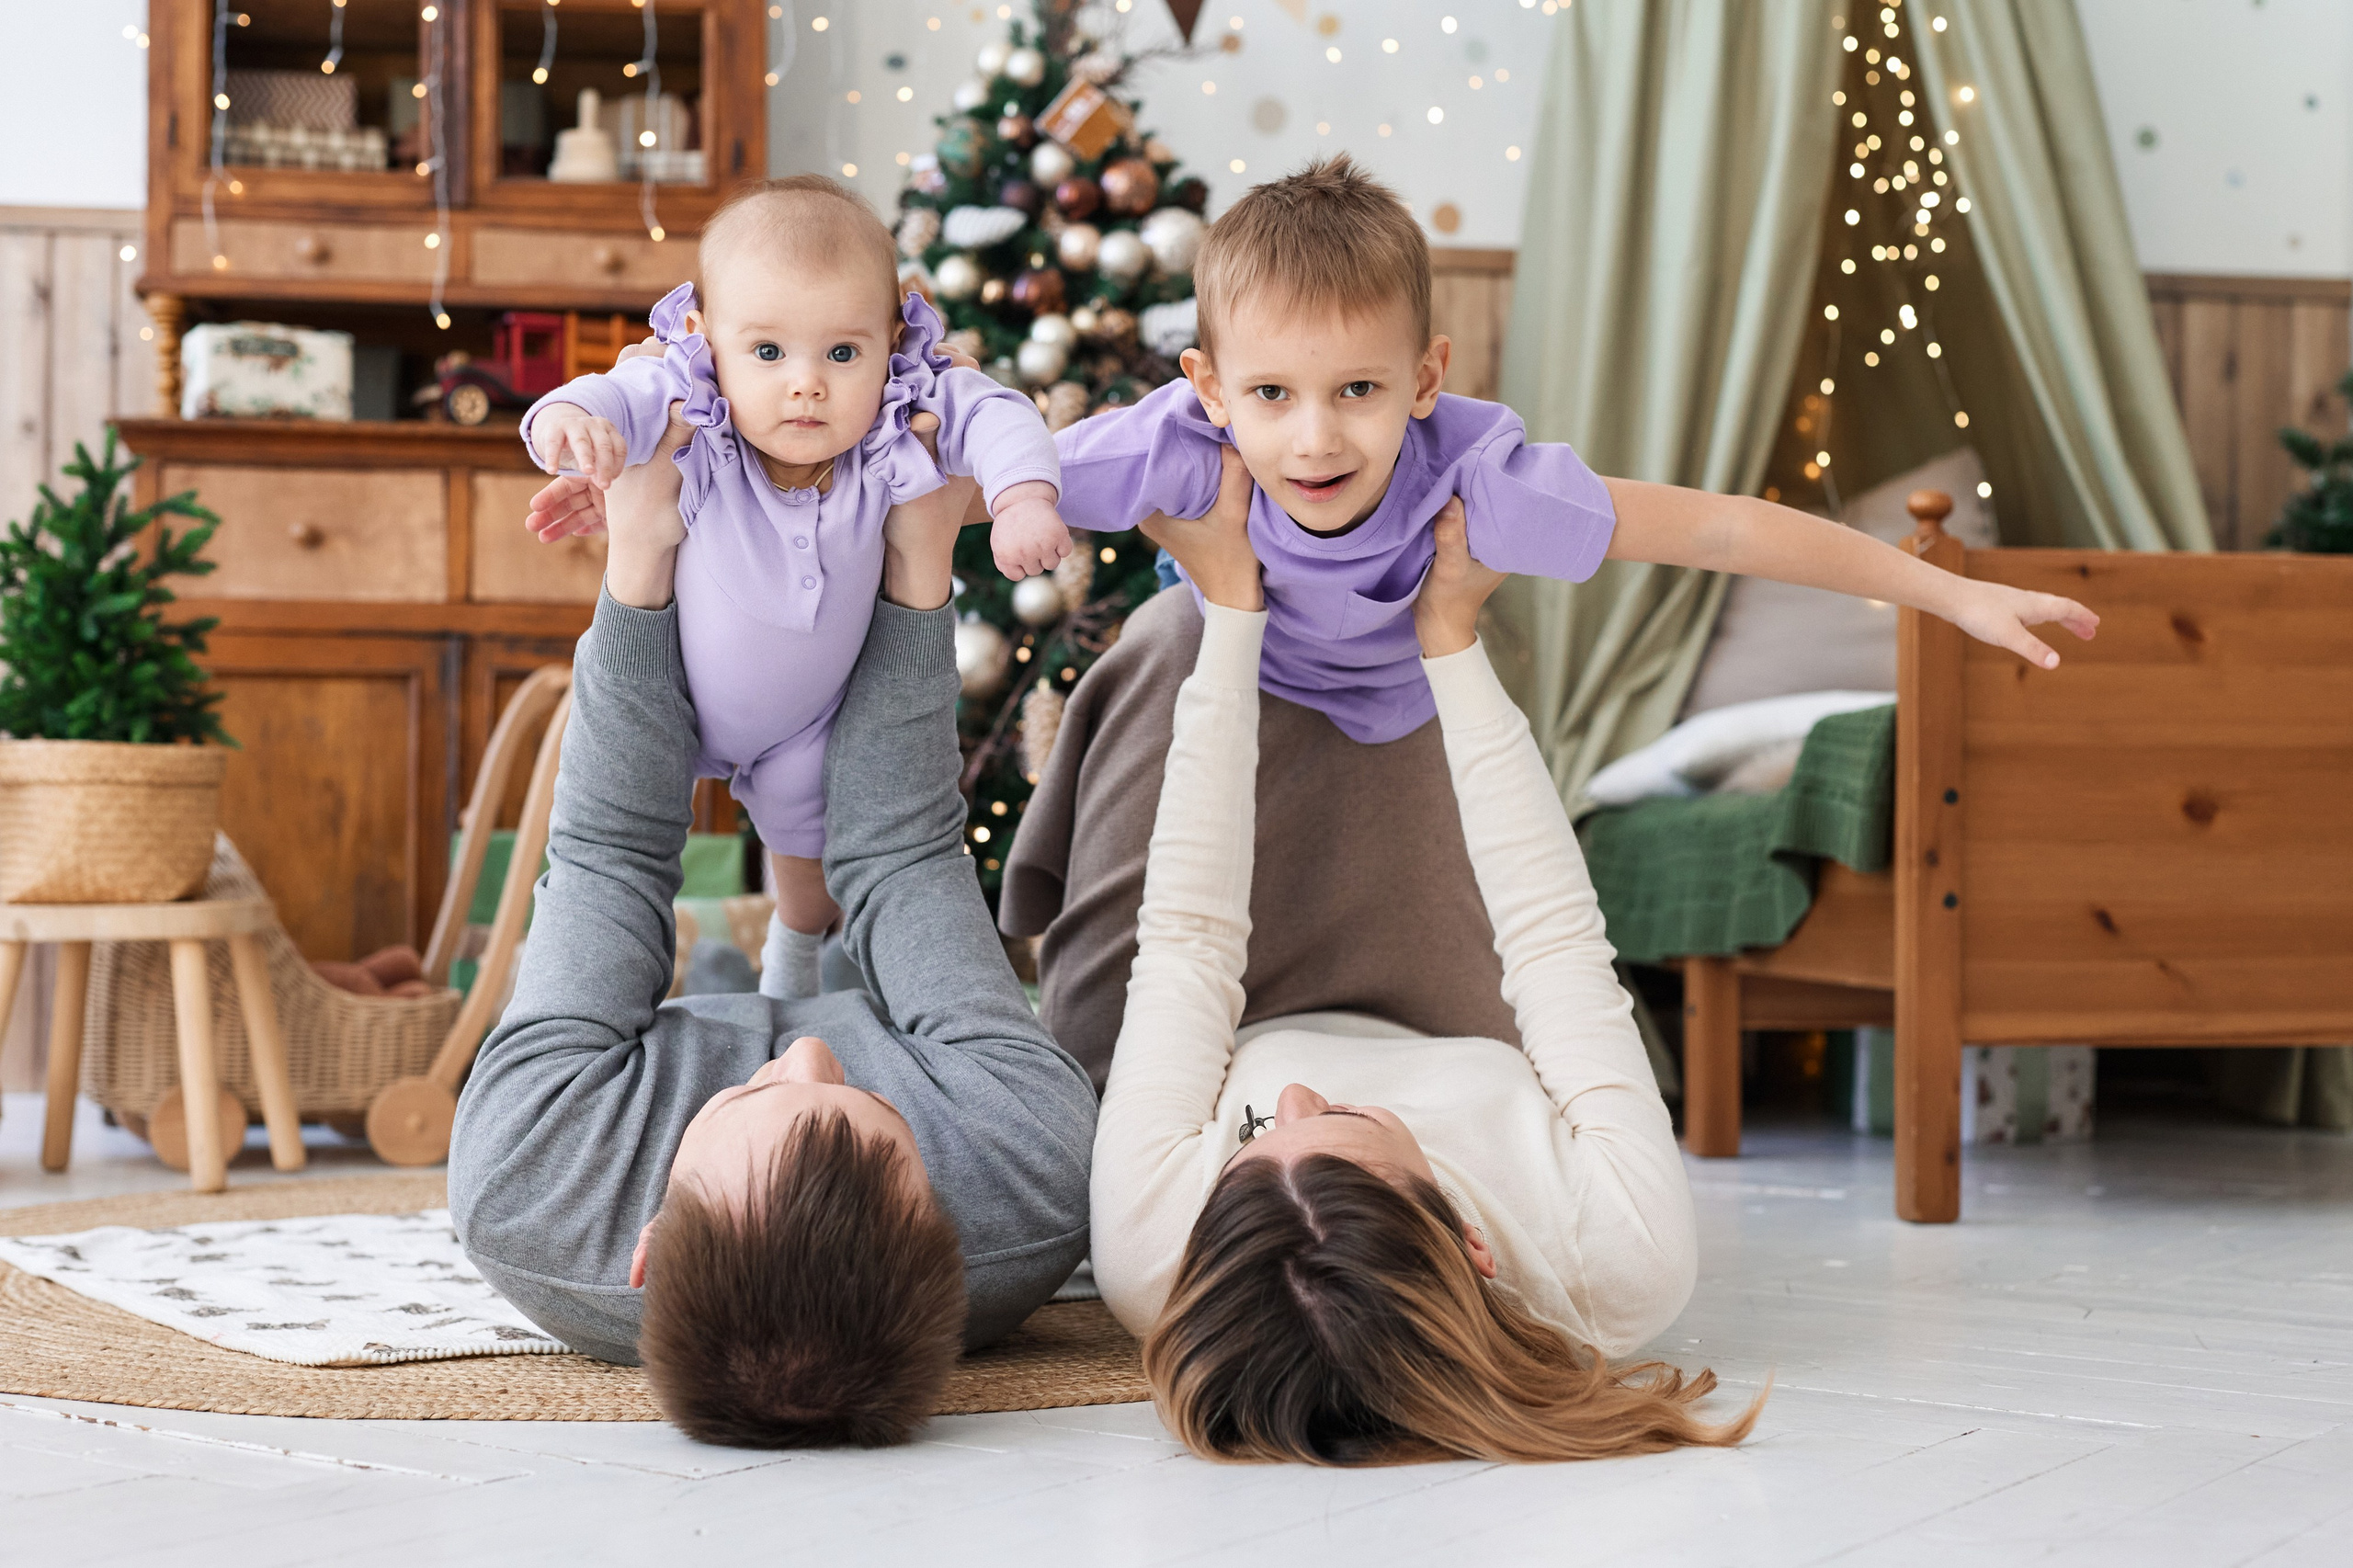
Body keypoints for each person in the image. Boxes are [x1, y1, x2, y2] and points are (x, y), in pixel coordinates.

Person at [1012, 152, 2096, 1083]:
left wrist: (1953, 593)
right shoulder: (1177, 450)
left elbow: (1719, 531)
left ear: (1426, 378)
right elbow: (989, 481)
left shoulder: (1478, 484)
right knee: (1164, 640)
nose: (1315, 442)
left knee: (1506, 1038)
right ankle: (1096, 1093)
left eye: (1358, 390)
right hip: (1221, 706)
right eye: (1272, 396)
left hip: (1401, 733)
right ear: (1208, 388)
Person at [448, 399, 1096, 1449]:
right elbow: (902, 851)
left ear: (648, 1243)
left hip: (642, 1065)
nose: (807, 1055)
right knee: (845, 949)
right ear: (947, 1216)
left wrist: (640, 567)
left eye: (759, 1095)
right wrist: (918, 567)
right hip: (914, 1033)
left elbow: (612, 850)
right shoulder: (1024, 1170)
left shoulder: (533, 1173)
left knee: (702, 957)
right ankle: (782, 960)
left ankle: (747, 972)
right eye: (852, 1099)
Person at [1091, 461, 1756, 1464]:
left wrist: (1231, 616)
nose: (1303, 1091)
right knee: (1402, 610)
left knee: (1175, 635)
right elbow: (1554, 943)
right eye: (1341, 1123)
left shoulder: (1161, 1259)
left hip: (1220, 991)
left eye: (1260, 1129)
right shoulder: (1619, 1259)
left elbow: (1185, 942)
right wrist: (1451, 639)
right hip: (1463, 986)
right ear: (1473, 1245)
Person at [519, 175, 1071, 1001]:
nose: (806, 383)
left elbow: (1000, 414)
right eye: (768, 353)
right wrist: (570, 419)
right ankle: (645, 988)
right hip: (666, 696)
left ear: (893, 342)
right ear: (707, 341)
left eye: (843, 353)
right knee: (626, 850)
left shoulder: (900, 412)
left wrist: (1024, 495)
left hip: (808, 725)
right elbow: (607, 394)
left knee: (804, 867)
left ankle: (791, 959)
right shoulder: (692, 405)